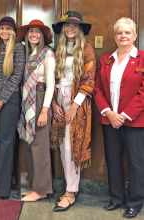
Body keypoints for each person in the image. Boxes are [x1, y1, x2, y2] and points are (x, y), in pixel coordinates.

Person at [94, 17, 144, 218]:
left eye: (127, 32)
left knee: (136, 163)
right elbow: (97, 88)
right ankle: (116, 198)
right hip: (109, 119)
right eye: (119, 33)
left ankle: (135, 201)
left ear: (134, 36)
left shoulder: (142, 59)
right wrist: (108, 112)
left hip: (135, 121)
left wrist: (123, 115)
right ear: (114, 36)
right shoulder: (106, 59)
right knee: (113, 160)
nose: (123, 36)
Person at [51, 10, 96, 211]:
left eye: (74, 26)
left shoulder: (86, 49)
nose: (70, 29)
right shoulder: (57, 50)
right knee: (62, 145)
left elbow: (88, 80)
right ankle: (69, 186)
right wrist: (54, 103)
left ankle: (70, 191)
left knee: (72, 146)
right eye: (67, 25)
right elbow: (51, 80)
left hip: (77, 101)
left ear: (79, 30)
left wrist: (74, 106)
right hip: (59, 99)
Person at [0, 16, 25, 200]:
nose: (4, 32)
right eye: (2, 28)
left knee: (7, 142)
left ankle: (2, 188)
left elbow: (16, 77)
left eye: (8, 28)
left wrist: (1, 99)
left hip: (9, 102)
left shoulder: (18, 48)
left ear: (14, 32)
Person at [17, 19, 55, 201]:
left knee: (40, 147)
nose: (33, 34)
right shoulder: (28, 53)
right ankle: (34, 186)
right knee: (30, 146)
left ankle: (41, 190)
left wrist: (45, 110)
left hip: (40, 101)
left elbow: (51, 85)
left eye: (37, 32)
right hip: (27, 101)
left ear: (43, 35)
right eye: (31, 31)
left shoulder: (47, 53)